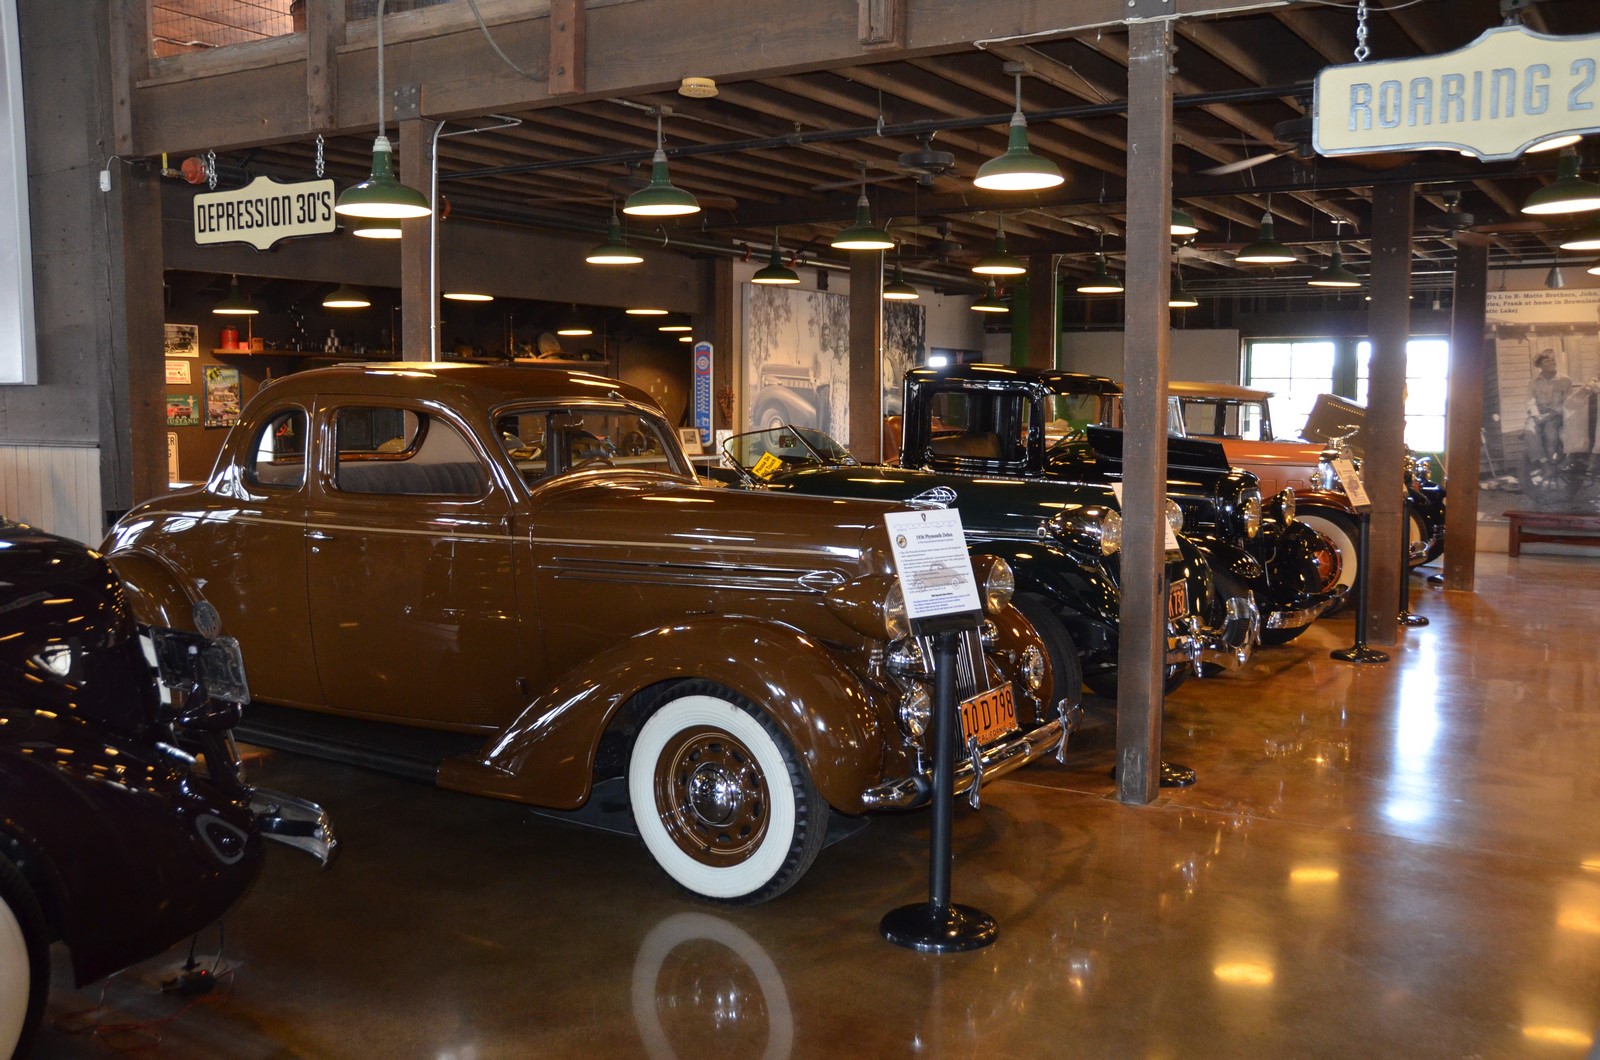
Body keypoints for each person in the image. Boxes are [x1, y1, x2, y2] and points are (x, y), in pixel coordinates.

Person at [1529, 349, 1572, 470]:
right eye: (1547, 361)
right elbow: (1530, 401)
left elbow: (1567, 402)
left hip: (1558, 414)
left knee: (1550, 428)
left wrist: (1550, 415)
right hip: (1539, 414)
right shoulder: (1533, 382)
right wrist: (1536, 416)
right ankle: (1544, 463)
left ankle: (1554, 460)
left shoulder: (1565, 380)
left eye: (1553, 360)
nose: (1552, 363)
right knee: (1529, 431)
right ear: (1540, 365)